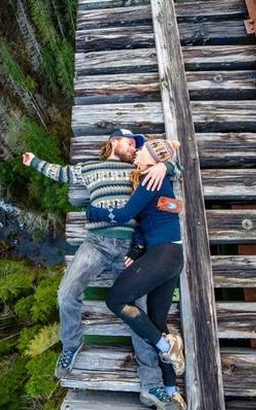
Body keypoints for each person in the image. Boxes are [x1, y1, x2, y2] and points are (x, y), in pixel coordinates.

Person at [22, 129, 182, 410]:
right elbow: (60, 172)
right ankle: (72, 344)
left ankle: (151, 385)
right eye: (129, 143)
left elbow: (173, 167)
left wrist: (164, 166)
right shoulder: (89, 168)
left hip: (129, 250)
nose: (133, 149)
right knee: (66, 293)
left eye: (136, 146)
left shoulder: (138, 172)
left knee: (138, 312)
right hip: (95, 243)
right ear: (113, 141)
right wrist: (34, 161)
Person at [86, 139, 186, 410]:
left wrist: (93, 212)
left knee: (115, 300)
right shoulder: (154, 176)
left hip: (163, 254)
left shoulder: (150, 179)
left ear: (151, 158)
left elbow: (124, 214)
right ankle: (171, 389)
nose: (137, 153)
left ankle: (165, 346)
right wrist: (137, 246)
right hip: (171, 256)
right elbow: (145, 220)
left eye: (140, 150)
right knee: (157, 320)